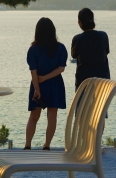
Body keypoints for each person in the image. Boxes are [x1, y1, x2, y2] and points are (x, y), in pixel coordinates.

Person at [25, 17, 68, 150]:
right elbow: (61, 68)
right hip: (55, 85)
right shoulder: (60, 48)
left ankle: (27, 145)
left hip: (37, 84)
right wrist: (46, 78)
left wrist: (37, 88)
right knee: (52, 116)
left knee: (33, 117)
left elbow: (33, 72)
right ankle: (47, 145)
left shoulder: (33, 49)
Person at [71, 8, 110, 90]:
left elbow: (74, 55)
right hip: (103, 81)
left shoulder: (77, 39)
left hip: (83, 83)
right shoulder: (103, 35)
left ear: (80, 23)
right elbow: (106, 52)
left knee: (81, 102)